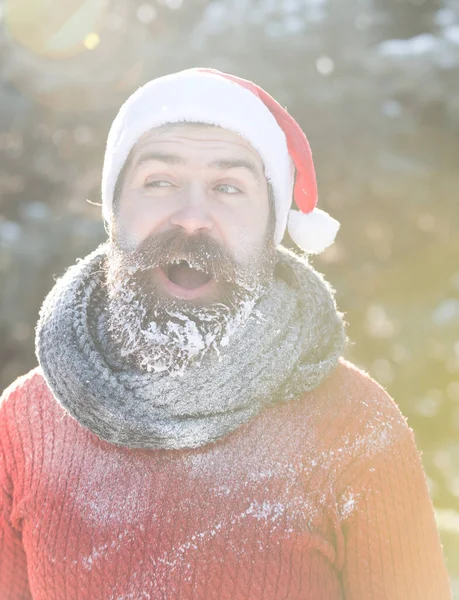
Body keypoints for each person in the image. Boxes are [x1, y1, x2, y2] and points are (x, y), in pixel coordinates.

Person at [0, 68, 452, 600]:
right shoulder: (22, 424)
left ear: (271, 228)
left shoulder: (354, 429)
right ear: (114, 213)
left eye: (228, 187)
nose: (192, 218)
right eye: (160, 182)